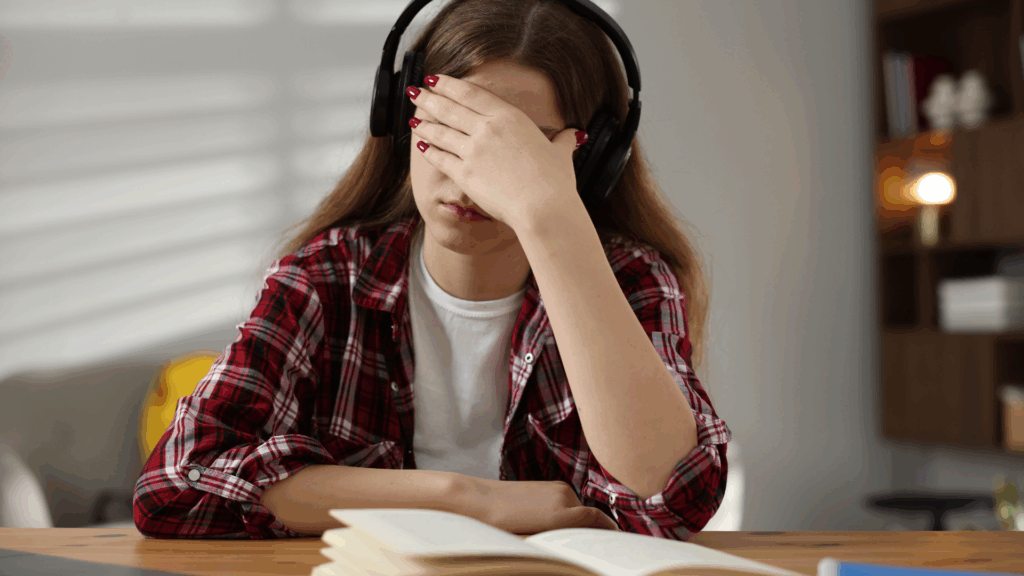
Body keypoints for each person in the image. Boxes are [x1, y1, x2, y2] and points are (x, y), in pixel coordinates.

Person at [133, 0, 731, 541]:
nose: (470, 174)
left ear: (593, 159)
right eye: (449, 130)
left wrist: (551, 217)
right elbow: (177, 484)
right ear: (402, 119)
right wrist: (464, 499)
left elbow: (672, 497)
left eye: (513, 149)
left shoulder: (631, 279)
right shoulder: (329, 276)